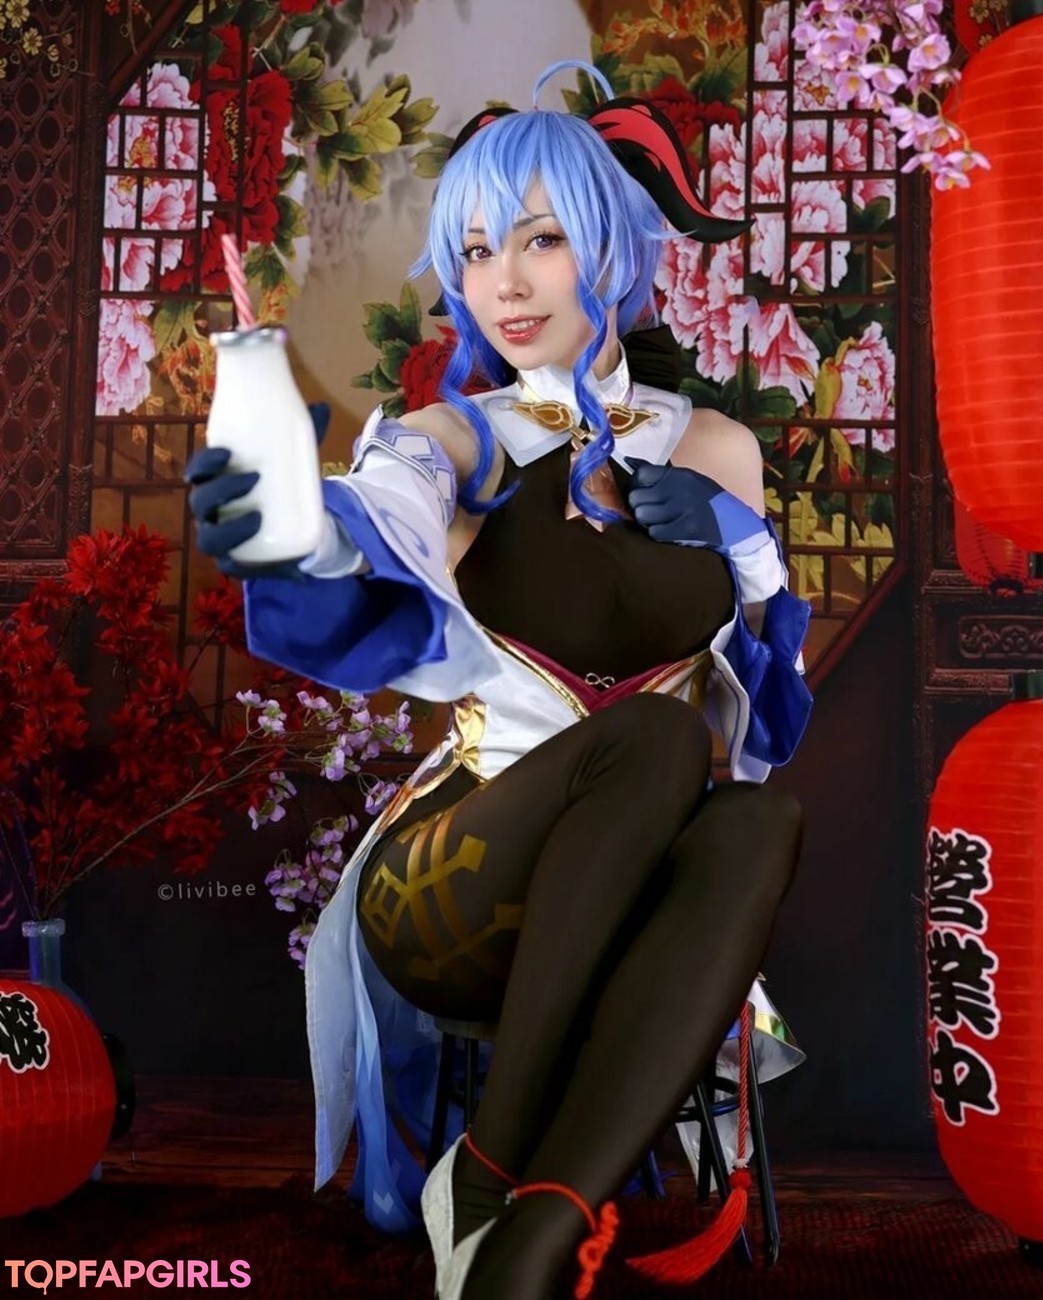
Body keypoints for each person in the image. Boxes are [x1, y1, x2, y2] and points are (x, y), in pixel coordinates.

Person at [187, 60, 812, 1300]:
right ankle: (491, 1167)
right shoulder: (457, 438)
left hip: (633, 886)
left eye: (541, 240)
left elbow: (769, 720)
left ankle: (528, 1229)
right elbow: (375, 516)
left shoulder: (718, 450)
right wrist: (292, 527)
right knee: (655, 742)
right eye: (476, 251)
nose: (505, 283)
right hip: (456, 882)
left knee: (755, 817)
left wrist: (744, 546)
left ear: (613, 247)